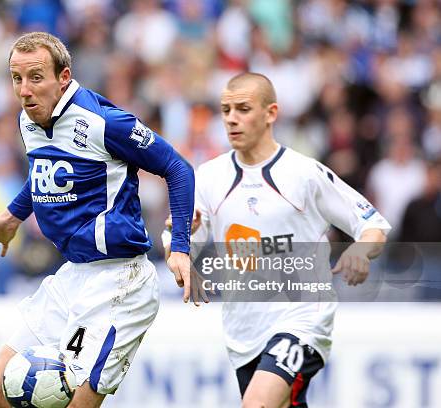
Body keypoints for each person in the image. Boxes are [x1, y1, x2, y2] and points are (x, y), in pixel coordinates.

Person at [0, 32, 195, 408]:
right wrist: (12, 216)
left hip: (120, 283)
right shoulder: (30, 121)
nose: (24, 90)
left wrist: (181, 248)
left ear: (64, 77)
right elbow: (47, 172)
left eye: (36, 77)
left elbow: (177, 167)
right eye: (16, 78)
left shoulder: (103, 121)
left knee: (76, 403)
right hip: (73, 276)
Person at [163, 73, 390, 408]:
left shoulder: (304, 173)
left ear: (271, 113)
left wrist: (360, 250)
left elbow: (372, 226)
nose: (231, 119)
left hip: (302, 318)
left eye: (243, 109)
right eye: (225, 110)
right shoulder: (208, 178)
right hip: (244, 331)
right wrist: (184, 241)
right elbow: (176, 254)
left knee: (257, 404)